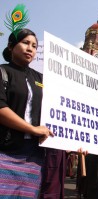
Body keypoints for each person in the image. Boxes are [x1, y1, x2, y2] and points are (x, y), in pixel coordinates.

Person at [0, 28, 54, 198]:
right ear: (10, 46)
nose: (30, 48)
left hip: (33, 156)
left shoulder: (41, 78)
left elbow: (56, 111)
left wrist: (76, 143)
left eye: (34, 46)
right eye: (25, 43)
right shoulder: (3, 72)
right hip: (6, 151)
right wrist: (32, 129)